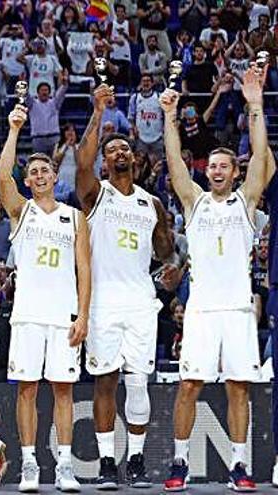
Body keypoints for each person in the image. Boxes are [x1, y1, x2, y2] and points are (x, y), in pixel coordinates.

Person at [159, 68, 268, 492]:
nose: (219, 171)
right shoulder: (194, 202)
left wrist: (255, 103)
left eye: (226, 166)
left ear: (235, 173)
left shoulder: (247, 203)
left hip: (238, 309)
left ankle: (239, 467)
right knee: (189, 386)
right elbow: (173, 162)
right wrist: (169, 118)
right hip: (202, 310)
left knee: (239, 388)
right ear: (207, 172)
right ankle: (179, 463)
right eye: (214, 166)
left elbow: (260, 157)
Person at [75, 83, 175, 489]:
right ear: (104, 161)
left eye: (124, 149)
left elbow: (166, 251)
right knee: (106, 380)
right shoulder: (95, 195)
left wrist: (172, 271)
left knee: (137, 380)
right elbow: (80, 164)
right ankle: (105, 462)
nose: (119, 153)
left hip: (140, 302)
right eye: (111, 150)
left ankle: (135, 459)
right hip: (102, 304)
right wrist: (99, 113)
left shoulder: (152, 204)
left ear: (135, 158)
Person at [0, 103, 91, 493]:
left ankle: (65, 466)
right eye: (32, 171)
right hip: (28, 317)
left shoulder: (75, 217)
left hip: (63, 316)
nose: (38, 175)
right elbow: (3, 175)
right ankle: (31, 465)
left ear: (55, 175)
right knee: (27, 389)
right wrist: (15, 130)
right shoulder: (21, 211)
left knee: (63, 390)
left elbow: (85, 270)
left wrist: (83, 316)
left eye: (44, 170)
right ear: (28, 179)